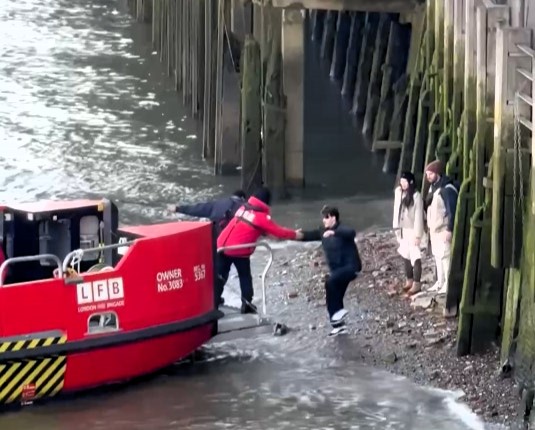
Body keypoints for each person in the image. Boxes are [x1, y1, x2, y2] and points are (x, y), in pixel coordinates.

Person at [216, 186, 302, 314]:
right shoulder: (261, 217)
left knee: (220, 276)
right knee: (245, 277)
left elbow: (248, 227)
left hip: (221, 245)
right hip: (238, 249)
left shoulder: (243, 208)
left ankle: (214, 301)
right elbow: (280, 232)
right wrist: (295, 234)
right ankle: (247, 304)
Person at [298, 206, 362, 336]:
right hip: (337, 271)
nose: (324, 220)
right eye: (323, 217)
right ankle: (339, 327)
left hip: (351, 268)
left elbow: (351, 232)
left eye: (327, 217)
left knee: (329, 282)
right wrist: (294, 234)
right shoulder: (322, 231)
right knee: (334, 295)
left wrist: (334, 232)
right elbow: (309, 235)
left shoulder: (342, 229)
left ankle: (338, 315)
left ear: (333, 217)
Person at [424, 160, 459, 295]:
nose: (428, 177)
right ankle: (440, 282)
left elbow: (452, 211)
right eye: (427, 174)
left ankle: (447, 284)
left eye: (431, 174)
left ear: (438, 173)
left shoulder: (446, 190)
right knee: (438, 256)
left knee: (445, 258)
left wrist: (449, 230)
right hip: (435, 230)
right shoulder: (433, 188)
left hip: (443, 229)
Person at [392, 171, 425, 297]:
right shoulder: (398, 192)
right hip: (402, 228)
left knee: (415, 256)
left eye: (405, 181)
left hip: (412, 229)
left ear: (410, 182)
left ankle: (417, 283)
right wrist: (396, 227)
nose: (402, 184)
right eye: (401, 181)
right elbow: (396, 210)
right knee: (405, 254)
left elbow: (418, 216)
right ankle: (409, 279)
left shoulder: (416, 196)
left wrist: (418, 235)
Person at [166, 190, 246, 236]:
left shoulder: (217, 203)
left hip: (217, 239)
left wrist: (178, 209)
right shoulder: (245, 207)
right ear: (242, 198)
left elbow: (197, 209)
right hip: (236, 242)